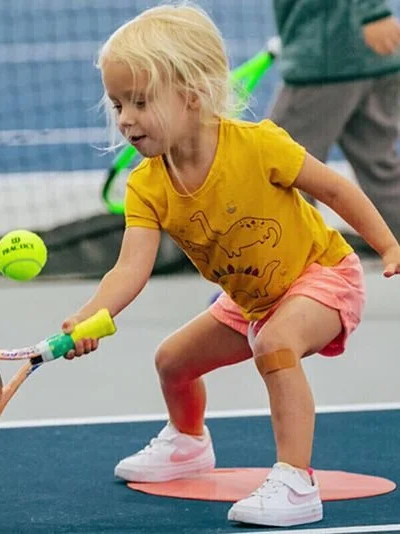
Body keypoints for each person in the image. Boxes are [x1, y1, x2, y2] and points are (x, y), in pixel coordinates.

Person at [60, 2, 400, 528]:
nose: (125, 117)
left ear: (191, 97)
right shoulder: (146, 186)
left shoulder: (258, 144)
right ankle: (189, 443)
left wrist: (389, 243)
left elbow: (334, 188)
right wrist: (90, 314)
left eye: (141, 101)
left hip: (323, 275)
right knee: (172, 361)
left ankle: (295, 480)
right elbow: (130, 269)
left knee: (275, 344)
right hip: (250, 298)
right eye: (117, 102)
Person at [269, 0, 400, 251]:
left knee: (275, 163)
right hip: (373, 59)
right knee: (380, 167)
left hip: (327, 60)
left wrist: (373, 11)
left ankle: (290, 254)